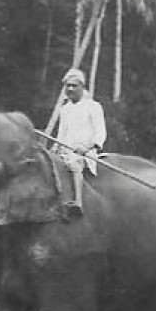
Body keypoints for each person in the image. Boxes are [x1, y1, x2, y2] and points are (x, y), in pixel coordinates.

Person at [45, 68, 106, 217]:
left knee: (74, 163)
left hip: (85, 153)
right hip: (65, 150)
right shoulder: (65, 109)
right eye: (68, 85)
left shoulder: (93, 106)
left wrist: (87, 147)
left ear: (82, 87)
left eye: (74, 85)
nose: (70, 89)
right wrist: (54, 148)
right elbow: (62, 134)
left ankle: (78, 202)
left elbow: (100, 132)